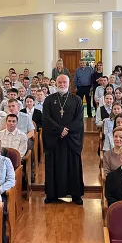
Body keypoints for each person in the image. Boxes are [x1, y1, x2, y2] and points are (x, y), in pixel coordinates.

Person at [43, 75, 85, 205]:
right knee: (53, 167)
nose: (62, 84)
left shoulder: (77, 99)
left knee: (73, 167)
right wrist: (59, 129)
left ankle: (75, 195)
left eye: (64, 82)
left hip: (71, 140)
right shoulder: (49, 99)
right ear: (56, 83)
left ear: (69, 83)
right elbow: (46, 118)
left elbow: (79, 119)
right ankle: (52, 195)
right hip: (54, 140)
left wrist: (67, 130)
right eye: (60, 82)